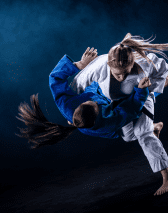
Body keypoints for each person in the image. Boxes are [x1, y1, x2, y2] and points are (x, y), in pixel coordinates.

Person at [69, 33, 168, 196]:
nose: (122, 77)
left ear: (132, 62)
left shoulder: (144, 63)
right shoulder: (99, 65)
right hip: (119, 105)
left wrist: (155, 86)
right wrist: (72, 113)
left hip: (141, 96)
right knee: (127, 136)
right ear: (108, 64)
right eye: (118, 74)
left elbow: (162, 69)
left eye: (126, 73)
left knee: (144, 135)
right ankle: (154, 127)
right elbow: (75, 85)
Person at [16, 48, 151, 151]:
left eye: (85, 102)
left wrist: (79, 64)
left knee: (87, 87)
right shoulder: (108, 121)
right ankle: (150, 128)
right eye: (94, 104)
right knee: (128, 135)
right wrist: (140, 90)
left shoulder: (68, 106)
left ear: (77, 107)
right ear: (99, 112)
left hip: (84, 94)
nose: (93, 101)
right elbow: (131, 110)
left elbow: (54, 78)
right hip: (112, 125)